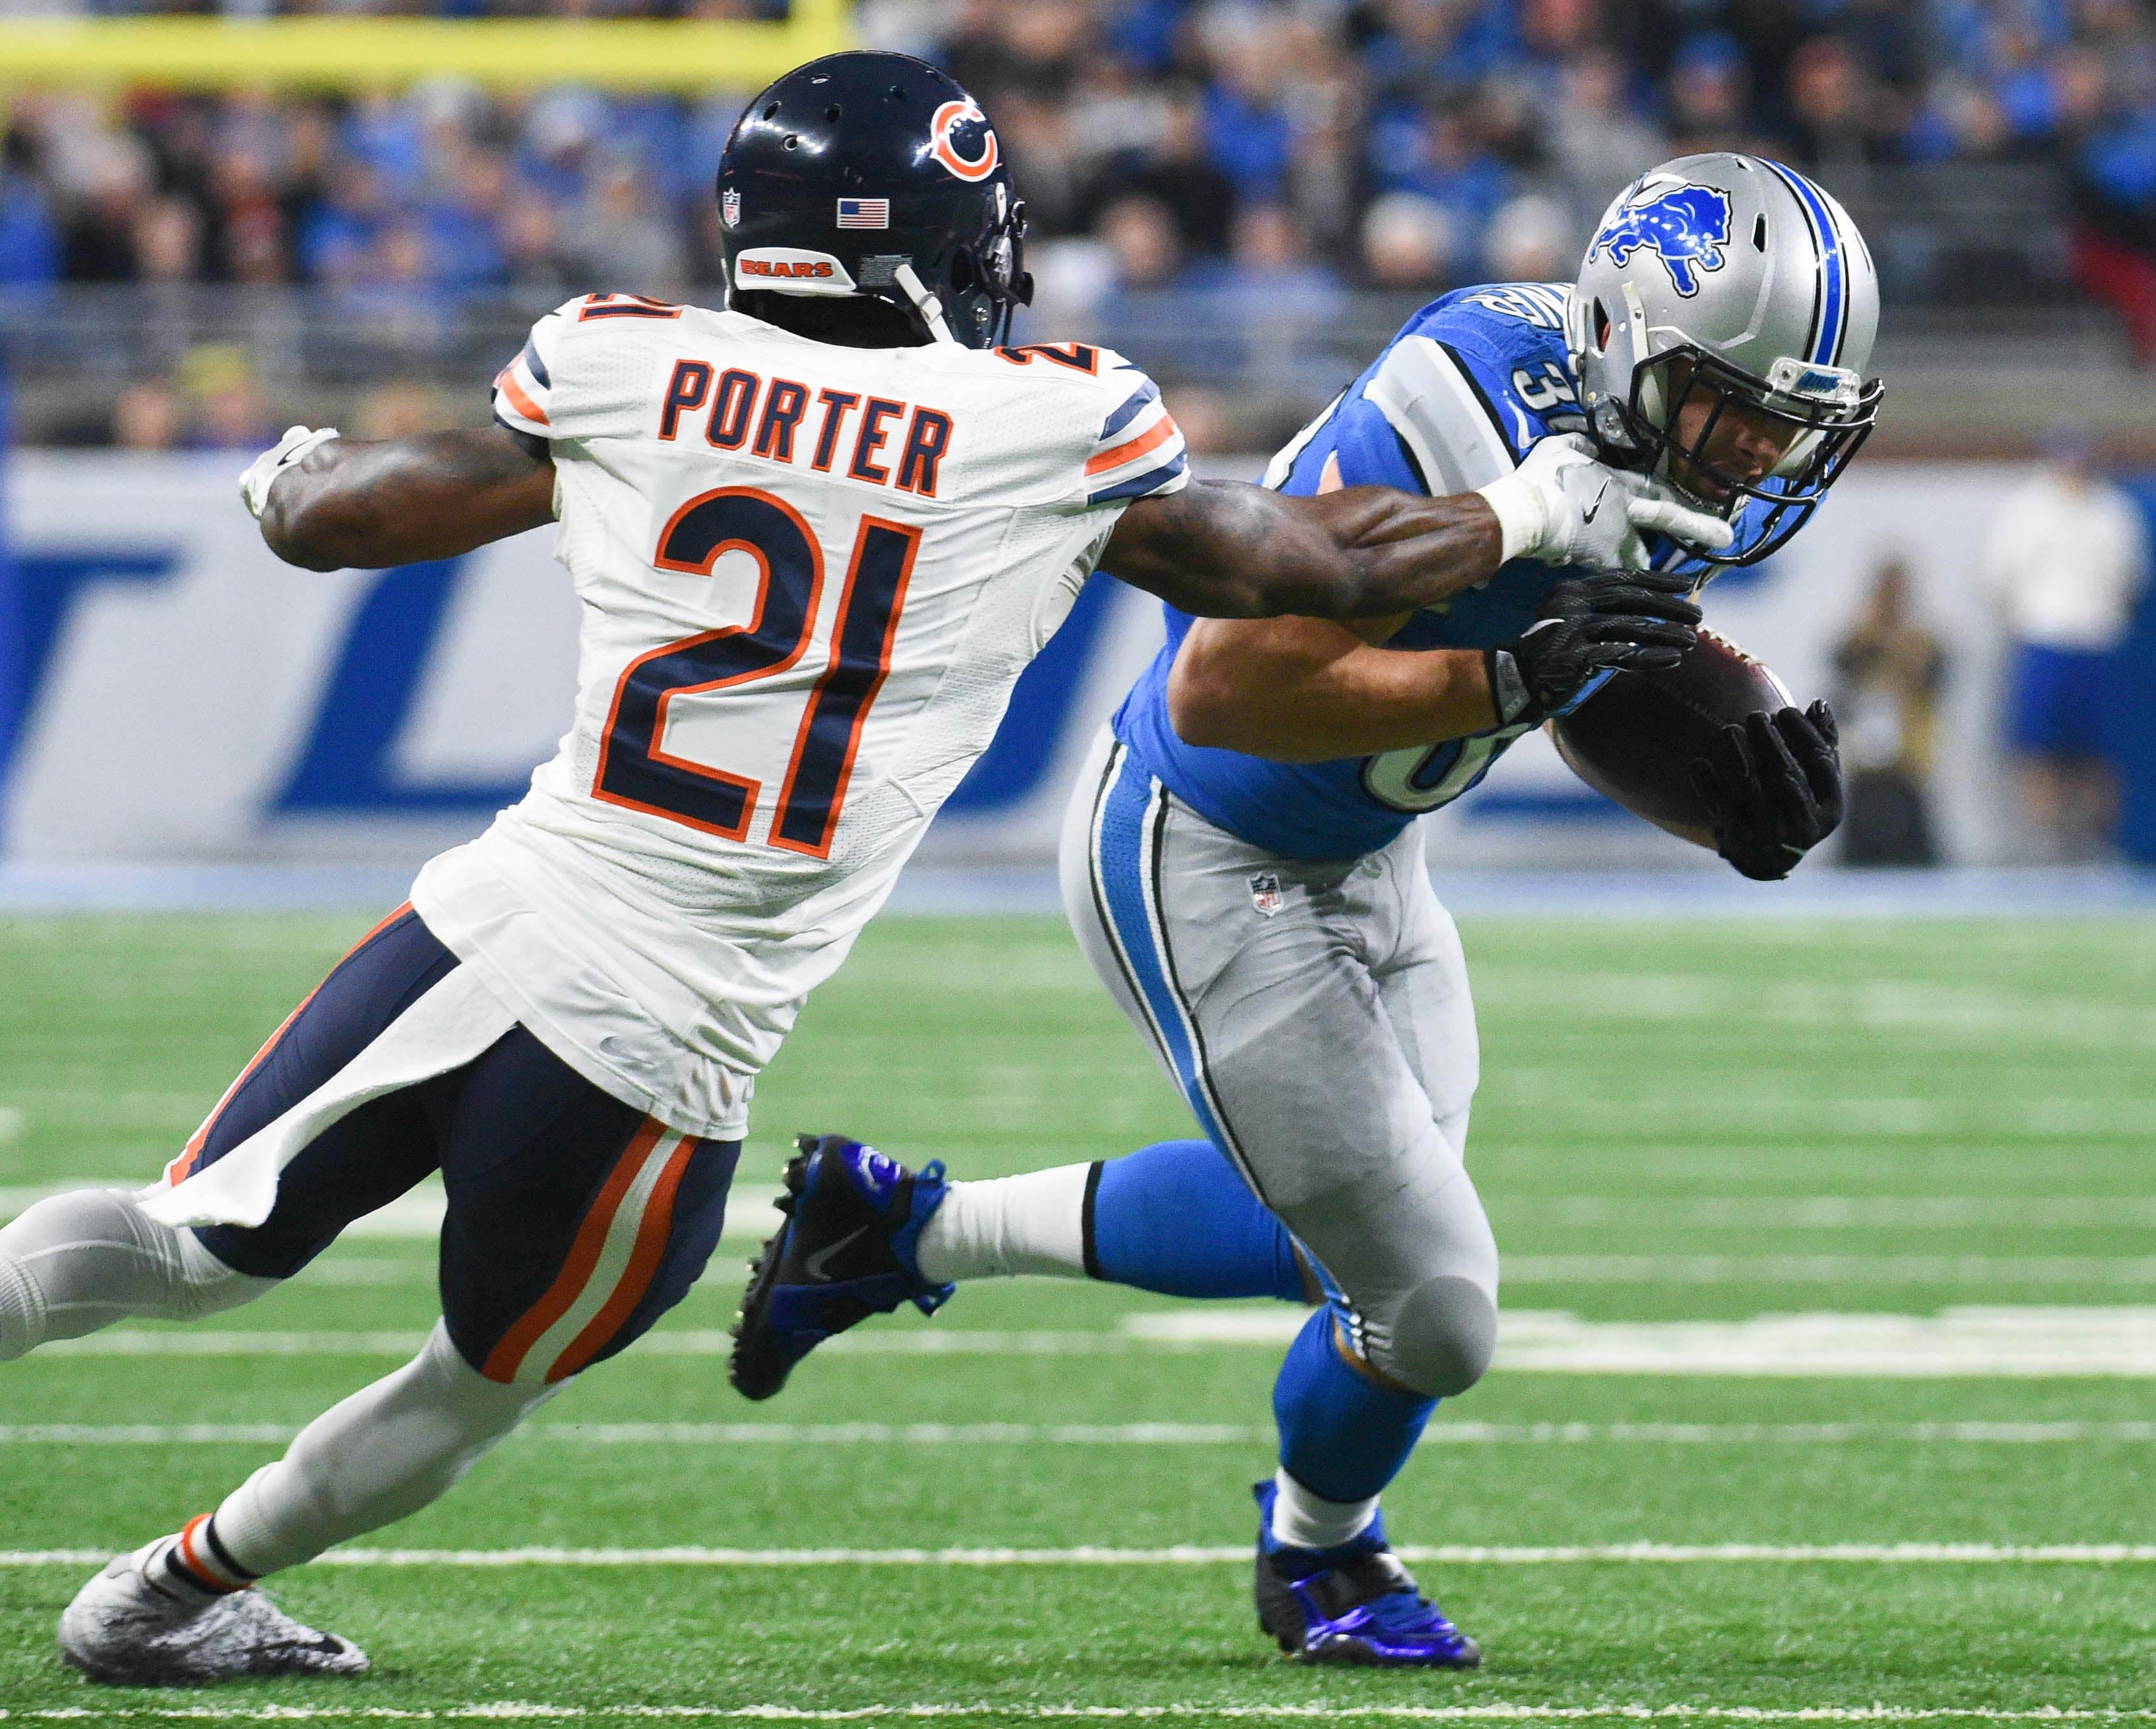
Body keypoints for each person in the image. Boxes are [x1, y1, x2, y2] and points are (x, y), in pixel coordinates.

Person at [0, 54, 1725, 1685]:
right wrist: (1533, 518)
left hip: (496, 915)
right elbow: (1308, 560)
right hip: (665, 1045)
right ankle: (169, 1595)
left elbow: (359, 514)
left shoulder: (627, 359)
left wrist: (277, 484)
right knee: (474, 1384)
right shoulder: (1041, 422)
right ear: (923, 243)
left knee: (205, 1230)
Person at [733, 154, 1882, 1670]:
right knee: (1432, 1304)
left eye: (1789, 423)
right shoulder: (1464, 393)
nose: (1751, 452)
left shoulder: (1670, 449)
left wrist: (1715, 808)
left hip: (1368, 855)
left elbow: (1581, 665)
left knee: (1347, 1242)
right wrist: (1506, 676)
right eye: (1733, 405)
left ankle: (893, 1224)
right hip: (1204, 840)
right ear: (1623, 338)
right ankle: (1320, 1556)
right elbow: (1224, 686)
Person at [1981, 427, 2148, 861]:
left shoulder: (2113, 512)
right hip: (2045, 641)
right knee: (2038, 750)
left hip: (2097, 641)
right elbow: (1998, 579)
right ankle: (2044, 849)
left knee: (2098, 753)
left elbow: (2130, 581)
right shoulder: (2026, 509)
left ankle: (2096, 847)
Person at [1833, 555, 1947, 866]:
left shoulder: (1923, 645)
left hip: (1907, 769)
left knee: (1917, 857)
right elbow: (1841, 678)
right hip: (1865, 770)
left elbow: (1936, 682)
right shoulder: (1856, 642)